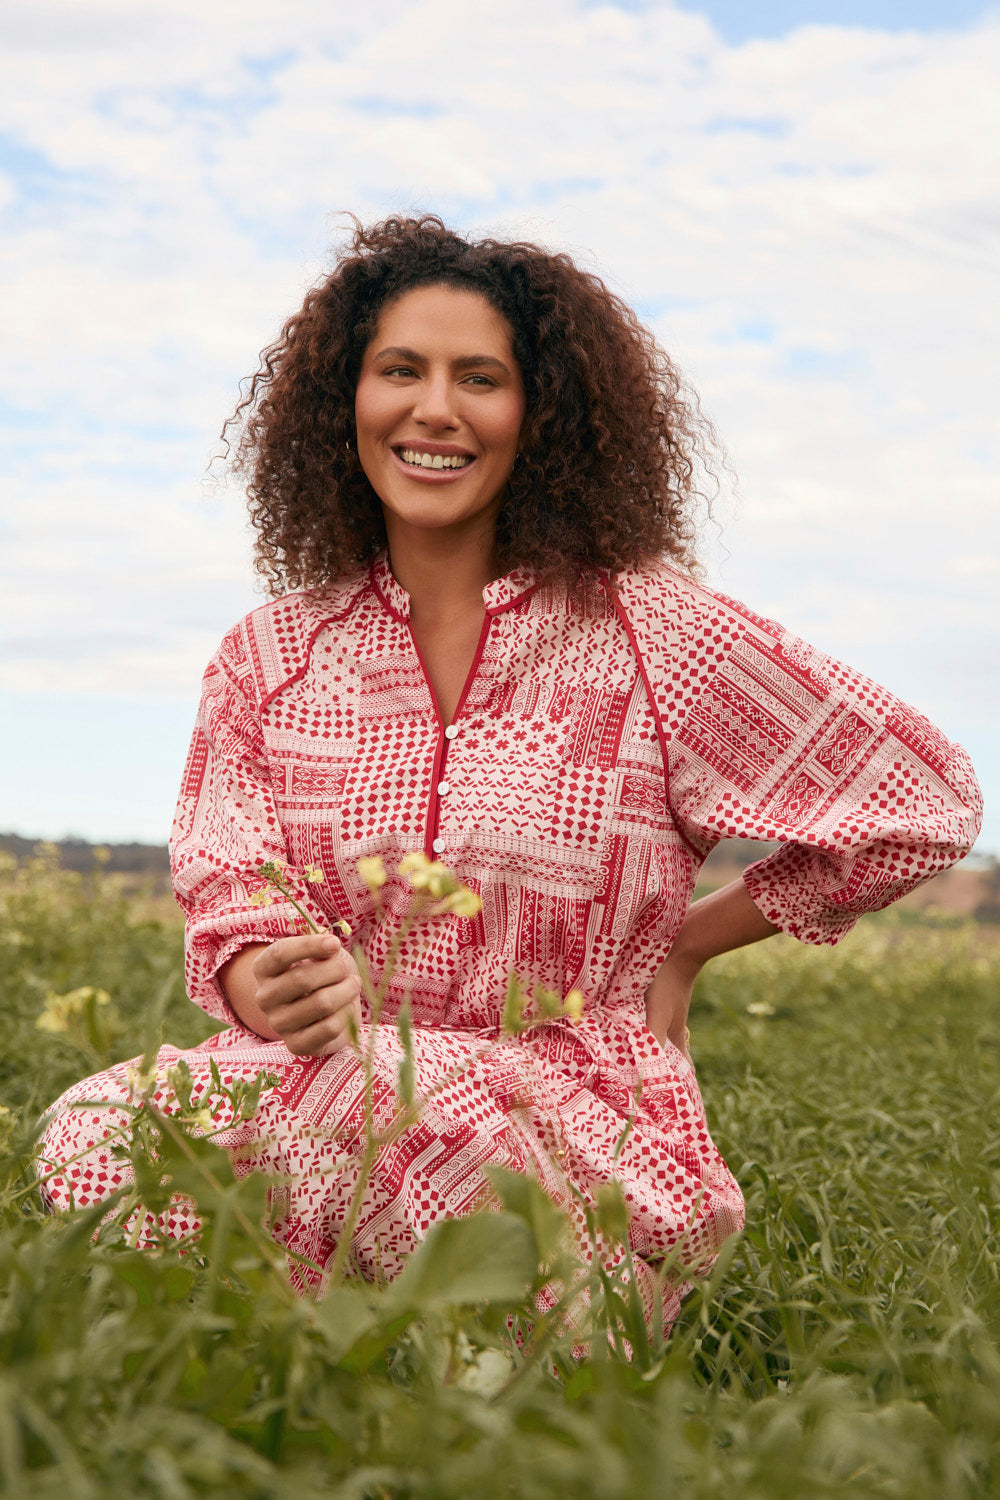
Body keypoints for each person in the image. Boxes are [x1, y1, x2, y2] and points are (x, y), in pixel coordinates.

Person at [38, 215, 981, 1334]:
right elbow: (226, 877)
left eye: (478, 378)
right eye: (400, 370)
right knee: (99, 1132)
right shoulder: (269, 657)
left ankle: (411, 1344)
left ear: (541, 417)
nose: (433, 409)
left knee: (426, 1130)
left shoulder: (649, 632)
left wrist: (686, 942)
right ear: (345, 400)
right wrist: (258, 982)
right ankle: (305, 1350)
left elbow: (920, 803)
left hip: (567, 1133)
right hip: (311, 1096)